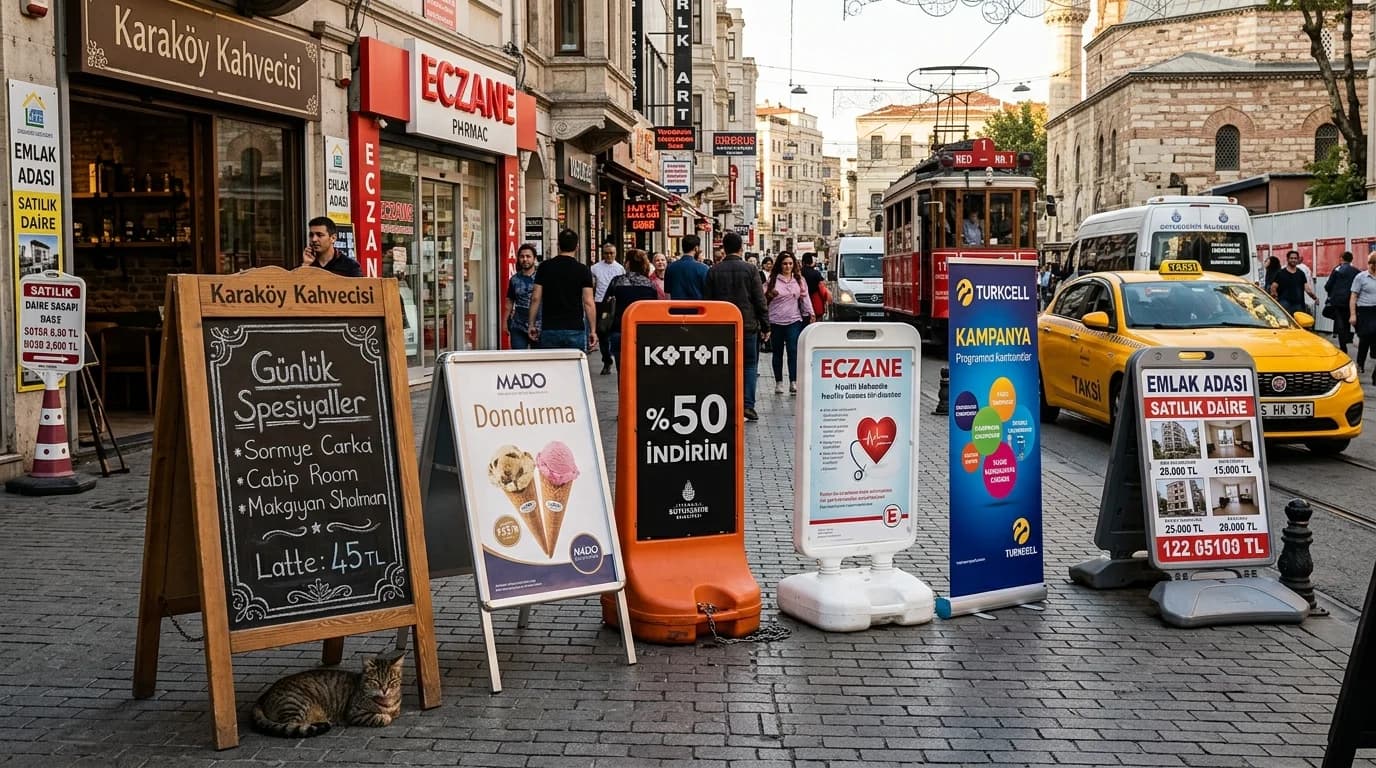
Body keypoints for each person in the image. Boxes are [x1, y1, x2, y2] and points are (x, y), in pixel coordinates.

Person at [705, 232, 769, 421]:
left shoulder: (713, 271)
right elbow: (760, 300)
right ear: (741, 248)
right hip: (747, 325)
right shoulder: (751, 270)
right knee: (749, 365)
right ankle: (747, 405)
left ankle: (725, 402)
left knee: (724, 365)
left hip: (721, 326)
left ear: (723, 248)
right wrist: (766, 326)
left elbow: (707, 301)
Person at [529, 229, 597, 353]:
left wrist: (531, 324)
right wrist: (592, 330)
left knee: (552, 370)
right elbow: (588, 302)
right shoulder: (583, 270)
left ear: (558, 245)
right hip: (575, 329)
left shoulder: (544, 267)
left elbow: (535, 298)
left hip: (550, 328)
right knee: (573, 369)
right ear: (577, 247)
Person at [604, 249, 660, 373]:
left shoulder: (617, 281)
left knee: (622, 371)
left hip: (619, 330)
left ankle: (622, 392)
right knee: (640, 372)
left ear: (628, 263)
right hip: (642, 332)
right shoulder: (650, 285)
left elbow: (605, 305)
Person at [765, 251, 813, 394]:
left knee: (793, 351)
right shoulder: (772, 280)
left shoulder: (799, 280)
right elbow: (763, 298)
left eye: (790, 264)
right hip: (776, 320)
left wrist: (810, 313)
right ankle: (779, 382)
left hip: (794, 320)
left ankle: (793, 381)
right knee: (777, 352)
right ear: (780, 265)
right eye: (785, 264)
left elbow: (805, 298)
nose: (787, 266)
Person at [590, 241, 625, 374]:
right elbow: (592, 286)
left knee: (614, 333)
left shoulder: (620, 268)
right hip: (600, 303)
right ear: (602, 254)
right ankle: (606, 360)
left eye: (612, 253)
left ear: (615, 254)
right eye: (606, 253)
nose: (609, 256)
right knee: (602, 333)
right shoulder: (595, 268)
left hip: (615, 304)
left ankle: (614, 358)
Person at [505, 243, 539, 349]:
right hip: (518, 324)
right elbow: (509, 301)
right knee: (518, 358)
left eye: (528, 256)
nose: (525, 259)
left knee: (539, 359)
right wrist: (505, 321)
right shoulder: (514, 279)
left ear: (534, 259)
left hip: (538, 325)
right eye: (522, 256)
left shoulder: (541, 278)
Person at [1349, 251, 1376, 381]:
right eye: (1372, 264)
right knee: (1365, 339)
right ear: (1370, 264)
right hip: (1364, 311)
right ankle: (1360, 363)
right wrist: (1353, 315)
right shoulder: (1361, 277)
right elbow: (1353, 296)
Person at [1326, 251, 1359, 354]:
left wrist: (1331, 293)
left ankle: (1343, 346)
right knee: (1349, 319)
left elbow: (1328, 285)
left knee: (1340, 323)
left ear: (1341, 258)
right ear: (1351, 259)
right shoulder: (1356, 271)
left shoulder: (1337, 269)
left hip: (1338, 300)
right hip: (1351, 300)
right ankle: (1352, 337)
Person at [1269, 249, 1316, 315]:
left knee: (1299, 324)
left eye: (1295, 258)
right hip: (1284, 304)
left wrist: (1314, 298)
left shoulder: (1301, 273)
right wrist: (1275, 298)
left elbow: (1307, 289)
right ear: (1287, 259)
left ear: (1297, 260)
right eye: (1291, 258)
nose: (1293, 260)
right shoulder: (1281, 273)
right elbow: (1273, 287)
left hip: (1298, 305)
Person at [663, 234, 708, 299]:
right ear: (696, 248)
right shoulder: (703, 268)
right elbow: (707, 293)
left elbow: (667, 293)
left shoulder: (670, 267)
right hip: (697, 307)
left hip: (676, 307)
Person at [801, 252, 829, 319]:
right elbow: (823, 290)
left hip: (801, 304)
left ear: (803, 262)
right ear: (811, 262)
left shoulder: (798, 273)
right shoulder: (816, 273)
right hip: (815, 302)